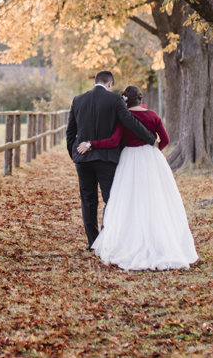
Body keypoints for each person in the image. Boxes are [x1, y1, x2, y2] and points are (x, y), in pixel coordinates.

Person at [79, 85, 198, 270]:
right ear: (140, 99)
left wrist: (91, 144)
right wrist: (152, 152)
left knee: (129, 200)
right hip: (151, 158)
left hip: (129, 160)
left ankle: (128, 241)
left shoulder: (123, 118)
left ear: (125, 101)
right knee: (155, 199)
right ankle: (160, 240)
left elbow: (113, 141)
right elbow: (164, 139)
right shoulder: (153, 116)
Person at [66, 71, 157, 251]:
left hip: (83, 159)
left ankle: (93, 243)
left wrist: (74, 154)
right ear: (110, 84)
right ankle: (106, 240)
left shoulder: (78, 100)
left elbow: (70, 132)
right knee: (111, 200)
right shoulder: (115, 100)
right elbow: (130, 122)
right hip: (106, 159)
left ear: (95, 83)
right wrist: (151, 139)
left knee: (88, 200)